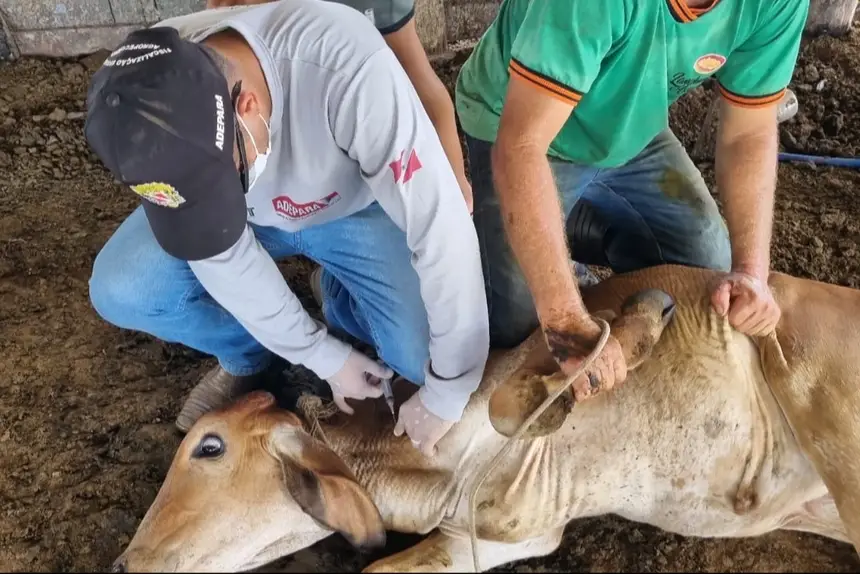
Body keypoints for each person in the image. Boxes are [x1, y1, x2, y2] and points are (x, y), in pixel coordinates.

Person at [83, 0, 489, 457]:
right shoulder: (150, 98)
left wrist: (449, 390)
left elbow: (439, 227)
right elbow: (219, 254)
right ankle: (250, 354)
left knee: (424, 358)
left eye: (223, 176)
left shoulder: (346, 67)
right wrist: (321, 356)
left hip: (354, 208)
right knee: (124, 287)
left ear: (247, 105)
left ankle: (338, 291)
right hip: (251, 218)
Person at [455, 0, 808, 402]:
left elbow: (749, 133)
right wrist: (565, 322)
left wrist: (751, 271)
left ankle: (563, 233)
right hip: (517, 123)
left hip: (629, 128)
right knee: (519, 329)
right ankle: (524, 237)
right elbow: (520, 146)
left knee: (704, 260)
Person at [206, 0, 473, 212]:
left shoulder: (380, 5)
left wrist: (455, 184)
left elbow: (424, 88)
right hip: (269, 165)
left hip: (356, 167)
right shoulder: (238, 9)